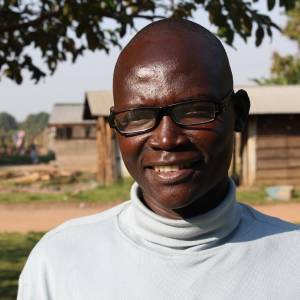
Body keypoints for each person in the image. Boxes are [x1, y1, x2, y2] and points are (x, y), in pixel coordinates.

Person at [18, 19, 300, 300]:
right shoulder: (59, 263)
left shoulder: (291, 258)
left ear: (238, 113)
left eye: (194, 111)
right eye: (138, 117)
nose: (166, 139)